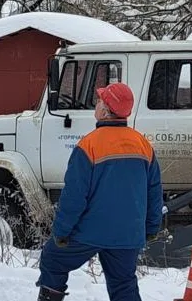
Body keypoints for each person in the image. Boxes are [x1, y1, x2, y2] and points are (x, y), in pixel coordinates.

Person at [36, 81, 163, 301]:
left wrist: (61, 232)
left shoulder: (89, 146)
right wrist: (151, 227)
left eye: (99, 101)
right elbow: (154, 191)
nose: (96, 104)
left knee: (52, 260)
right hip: (127, 235)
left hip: (90, 232)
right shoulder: (143, 145)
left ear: (105, 111)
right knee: (124, 284)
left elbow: (74, 197)